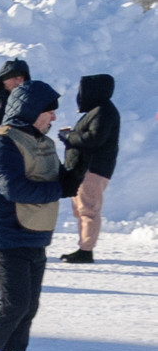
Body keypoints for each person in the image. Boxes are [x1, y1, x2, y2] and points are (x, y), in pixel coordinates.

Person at [0, 79, 63, 351]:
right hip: (3, 234)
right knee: (14, 304)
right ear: (30, 110)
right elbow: (14, 188)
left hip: (34, 233)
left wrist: (78, 163)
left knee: (28, 307)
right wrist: (62, 187)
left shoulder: (41, 142)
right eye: (49, 111)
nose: (54, 117)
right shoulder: (2, 143)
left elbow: (57, 179)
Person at [57, 73, 118, 264]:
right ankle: (84, 248)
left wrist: (69, 137)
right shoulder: (99, 110)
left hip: (92, 169)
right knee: (82, 210)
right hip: (87, 168)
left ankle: (86, 250)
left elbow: (94, 138)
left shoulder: (103, 111)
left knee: (88, 210)